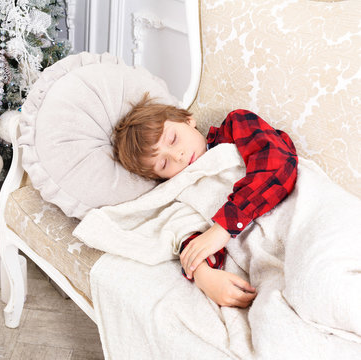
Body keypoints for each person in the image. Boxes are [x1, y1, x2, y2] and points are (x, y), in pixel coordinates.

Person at [112, 94, 298, 308]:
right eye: (164, 164)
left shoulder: (236, 126)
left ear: (188, 119)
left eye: (172, 139)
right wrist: (204, 276)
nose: (178, 156)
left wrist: (222, 229)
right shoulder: (185, 191)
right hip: (266, 260)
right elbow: (190, 237)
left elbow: (278, 164)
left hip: (300, 217)